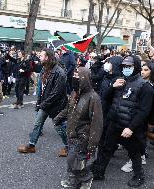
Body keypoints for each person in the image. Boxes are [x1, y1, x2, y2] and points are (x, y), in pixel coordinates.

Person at [92, 55, 154, 188]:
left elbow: (144, 111)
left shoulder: (145, 87)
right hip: (114, 122)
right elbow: (106, 98)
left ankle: (139, 176)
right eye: (124, 66)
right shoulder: (120, 81)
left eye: (129, 66)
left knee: (134, 153)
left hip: (130, 127)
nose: (126, 69)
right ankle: (99, 172)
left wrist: (131, 128)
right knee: (106, 148)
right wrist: (112, 87)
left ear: (136, 67)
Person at [59, 67, 103, 189]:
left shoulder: (93, 98)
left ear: (85, 79)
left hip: (83, 136)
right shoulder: (74, 93)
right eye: (74, 75)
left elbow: (97, 123)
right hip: (71, 133)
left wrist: (92, 145)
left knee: (78, 161)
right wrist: (58, 118)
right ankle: (73, 180)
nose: (74, 78)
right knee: (71, 160)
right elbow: (68, 109)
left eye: (77, 76)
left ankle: (86, 179)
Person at [17, 49, 67, 153]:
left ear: (47, 57)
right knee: (37, 123)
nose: (39, 57)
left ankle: (68, 147)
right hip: (45, 103)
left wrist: (42, 104)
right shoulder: (44, 69)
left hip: (56, 105)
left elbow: (56, 93)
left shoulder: (60, 73)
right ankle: (31, 145)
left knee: (59, 127)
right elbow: (42, 89)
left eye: (41, 55)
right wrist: (39, 102)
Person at [120, 61, 154, 173]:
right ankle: (141, 155)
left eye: (146, 70)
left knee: (140, 137)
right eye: (142, 70)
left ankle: (137, 161)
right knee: (138, 137)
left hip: (147, 115)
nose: (143, 72)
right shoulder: (137, 82)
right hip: (137, 113)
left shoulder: (149, 86)